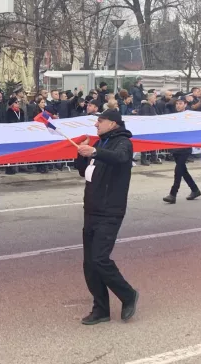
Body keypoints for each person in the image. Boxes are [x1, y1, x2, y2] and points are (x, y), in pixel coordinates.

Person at [75, 109, 139, 325]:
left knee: (100, 259)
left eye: (99, 121)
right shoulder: (101, 143)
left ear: (112, 123)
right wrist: (80, 153)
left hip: (110, 211)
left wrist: (93, 152)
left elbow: (120, 159)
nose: (96, 125)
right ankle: (101, 309)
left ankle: (128, 294)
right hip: (92, 210)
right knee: (90, 264)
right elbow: (84, 172)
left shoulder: (123, 142)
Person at [163, 97, 201, 204]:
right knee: (183, 170)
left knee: (178, 171)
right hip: (176, 147)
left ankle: (173, 194)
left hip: (185, 147)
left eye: (180, 103)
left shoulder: (188, 116)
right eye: (177, 104)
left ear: (185, 104)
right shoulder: (175, 116)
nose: (178, 106)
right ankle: (195, 190)